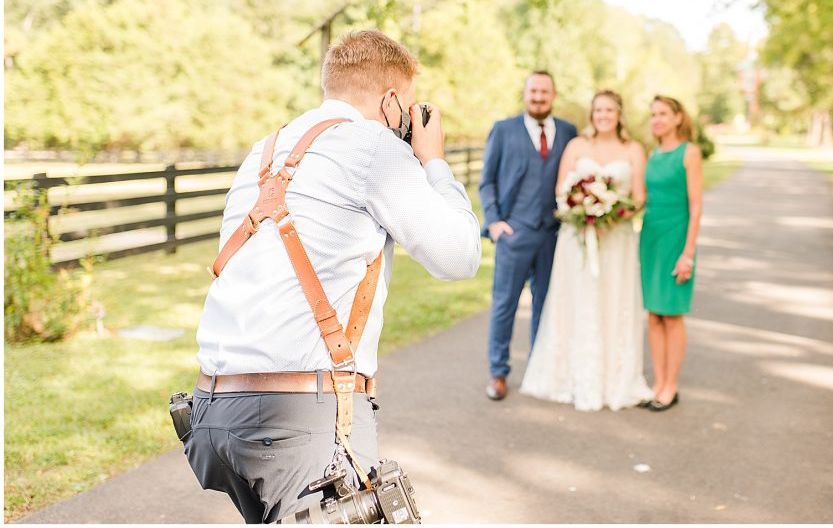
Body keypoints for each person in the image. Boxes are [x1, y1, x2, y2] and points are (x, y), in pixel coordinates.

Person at [184, 30, 481, 522]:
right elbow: (459, 256)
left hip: (214, 410)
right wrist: (433, 161)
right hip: (299, 421)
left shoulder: (266, 149)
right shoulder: (369, 145)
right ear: (390, 102)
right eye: (409, 107)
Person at [520, 91, 654, 411]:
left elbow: (638, 197)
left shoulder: (633, 149)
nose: (603, 115)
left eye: (609, 110)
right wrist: (583, 212)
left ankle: (615, 379)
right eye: (598, 110)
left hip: (616, 241)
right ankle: (569, 375)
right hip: (577, 238)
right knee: (575, 300)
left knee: (614, 300)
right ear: (592, 114)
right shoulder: (577, 146)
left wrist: (611, 216)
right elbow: (561, 189)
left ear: (619, 114)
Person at [479, 71, 578, 401]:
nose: (538, 97)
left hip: (554, 235)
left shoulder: (568, 132)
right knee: (505, 304)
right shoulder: (503, 130)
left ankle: (540, 368)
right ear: (525, 94)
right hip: (514, 233)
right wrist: (494, 223)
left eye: (544, 91)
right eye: (533, 91)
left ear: (554, 95)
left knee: (547, 305)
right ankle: (498, 372)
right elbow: (487, 181)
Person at [639, 95, 704, 412]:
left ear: (679, 117)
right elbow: (642, 199)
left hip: (677, 239)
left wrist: (688, 252)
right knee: (653, 314)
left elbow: (696, 206)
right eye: (653, 114)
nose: (657, 120)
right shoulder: (651, 155)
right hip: (650, 239)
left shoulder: (689, 153)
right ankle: (658, 382)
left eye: (663, 114)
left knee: (672, 315)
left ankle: (671, 386)